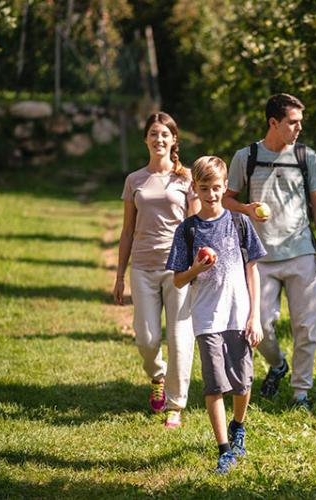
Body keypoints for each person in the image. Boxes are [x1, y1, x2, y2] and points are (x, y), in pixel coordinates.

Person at [223, 93, 316, 411]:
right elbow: (227, 198)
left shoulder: (305, 156)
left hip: (300, 252)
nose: (299, 128)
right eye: (293, 122)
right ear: (274, 122)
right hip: (260, 258)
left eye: (300, 122)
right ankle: (277, 364)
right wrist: (246, 207)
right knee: (258, 326)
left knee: (305, 326)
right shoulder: (246, 156)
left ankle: (301, 393)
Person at [166, 155, 266, 474]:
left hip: (239, 314)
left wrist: (256, 316)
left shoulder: (239, 223)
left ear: (225, 188)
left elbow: (254, 272)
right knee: (214, 385)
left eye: (217, 188)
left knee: (243, 382)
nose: (211, 194)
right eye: (205, 188)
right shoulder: (188, 229)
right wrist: (196, 267)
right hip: (207, 316)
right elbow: (178, 279)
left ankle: (239, 426)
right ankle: (223, 448)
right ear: (194, 188)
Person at [113, 112, 199, 429]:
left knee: (179, 338)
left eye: (164, 134)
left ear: (174, 139)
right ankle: (158, 375)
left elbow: (195, 226)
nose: (158, 139)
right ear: (146, 139)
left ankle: (176, 405)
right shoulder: (134, 180)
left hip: (178, 270)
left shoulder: (187, 179)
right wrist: (119, 275)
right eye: (153, 133)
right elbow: (126, 231)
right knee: (147, 339)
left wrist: (197, 268)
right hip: (143, 267)